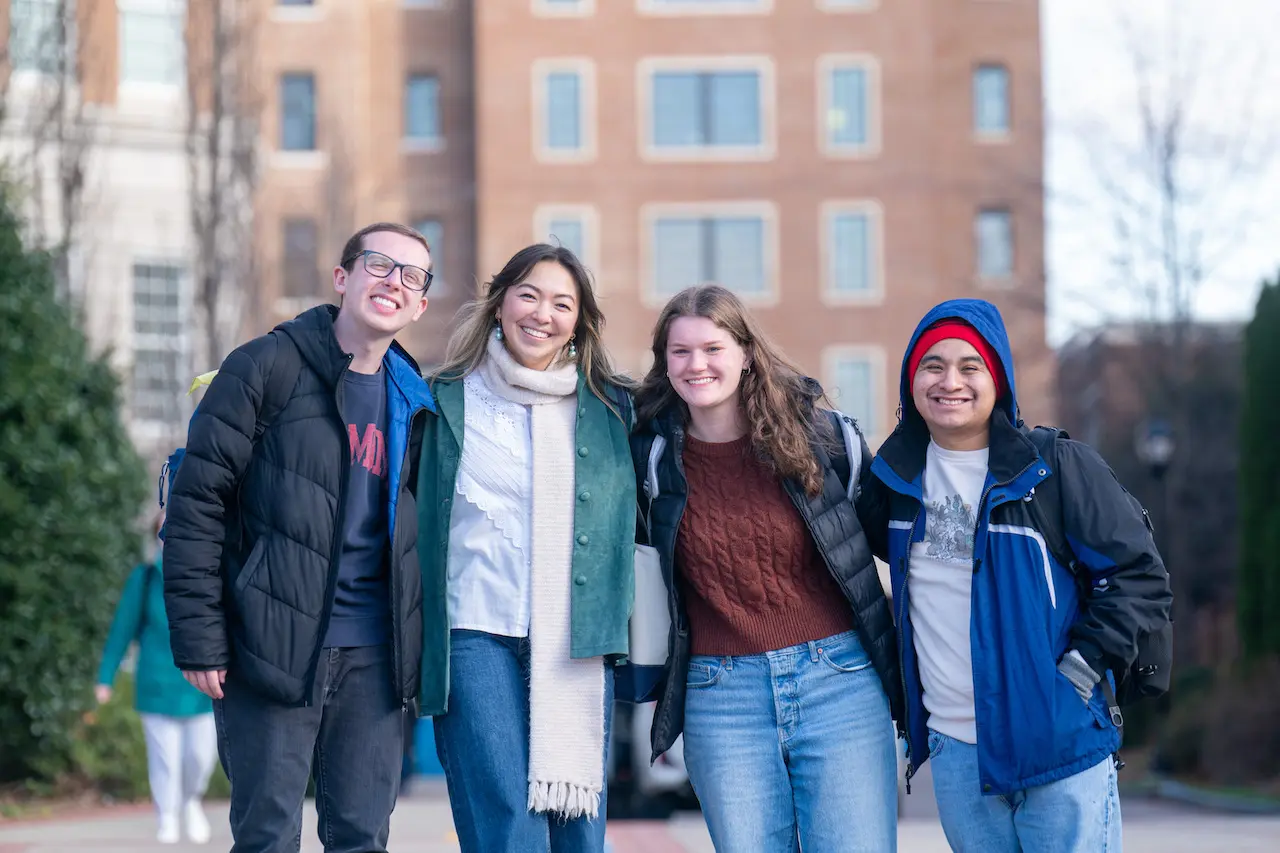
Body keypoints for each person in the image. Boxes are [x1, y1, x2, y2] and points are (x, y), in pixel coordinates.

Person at [859, 298, 1172, 852]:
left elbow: (1138, 576)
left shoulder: (1054, 467)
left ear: (997, 378)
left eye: (968, 366)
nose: (949, 380)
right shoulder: (892, 484)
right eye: (932, 365)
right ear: (911, 381)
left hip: (1055, 743)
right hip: (957, 754)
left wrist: (1078, 674)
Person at [162, 223, 436, 853]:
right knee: (267, 838)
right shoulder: (265, 367)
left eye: (412, 276)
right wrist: (200, 640)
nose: (392, 281)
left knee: (362, 838)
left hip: (375, 659)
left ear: (420, 305)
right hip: (269, 647)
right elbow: (196, 506)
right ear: (343, 278)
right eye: (378, 264)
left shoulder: (413, 396)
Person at [631, 284, 903, 853]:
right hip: (720, 693)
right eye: (679, 352)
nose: (696, 364)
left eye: (712, 348)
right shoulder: (649, 457)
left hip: (839, 681)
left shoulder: (823, 439)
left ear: (747, 353)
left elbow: (899, 544)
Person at [416, 244, 635, 853]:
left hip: (573, 638)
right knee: (508, 821)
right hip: (474, 630)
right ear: (500, 302)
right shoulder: (440, 399)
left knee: (578, 828)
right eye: (529, 295)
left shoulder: (610, 408)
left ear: (579, 323)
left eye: (562, 303)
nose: (542, 314)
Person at [97, 513, 217, 845]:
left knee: (200, 758)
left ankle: (191, 801)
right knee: (164, 760)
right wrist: (105, 679)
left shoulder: (205, 574)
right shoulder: (146, 578)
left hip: (201, 687)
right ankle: (166, 816)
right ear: (157, 537)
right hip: (156, 684)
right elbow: (122, 630)